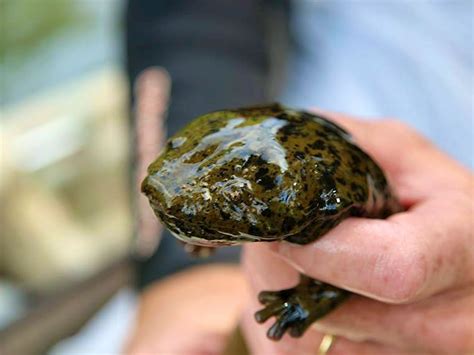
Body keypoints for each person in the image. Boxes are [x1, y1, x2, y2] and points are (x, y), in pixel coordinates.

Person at [124, 1, 473, 354]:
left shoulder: (313, 199)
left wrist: (305, 302)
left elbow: (336, 280)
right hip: (289, 124)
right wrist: (179, 279)